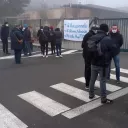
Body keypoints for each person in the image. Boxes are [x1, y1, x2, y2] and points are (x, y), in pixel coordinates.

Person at [88, 24, 114, 104]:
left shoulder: (93, 37)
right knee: (102, 81)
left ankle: (91, 95)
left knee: (92, 79)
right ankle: (103, 98)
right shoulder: (107, 39)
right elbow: (112, 50)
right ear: (106, 30)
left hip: (93, 63)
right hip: (103, 64)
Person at [82, 25, 99, 89]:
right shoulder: (92, 36)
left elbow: (82, 45)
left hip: (86, 54)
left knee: (87, 68)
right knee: (89, 70)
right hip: (89, 55)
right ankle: (88, 85)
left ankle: (88, 84)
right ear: (95, 30)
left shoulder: (87, 34)